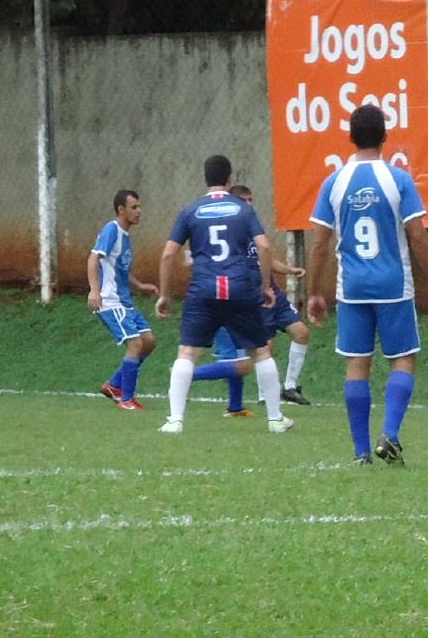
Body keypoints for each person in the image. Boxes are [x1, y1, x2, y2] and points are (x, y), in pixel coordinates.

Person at [304, 103, 428, 465]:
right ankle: (391, 435)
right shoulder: (398, 179)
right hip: (392, 285)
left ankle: (360, 453)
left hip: (352, 287)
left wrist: (314, 292)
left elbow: (319, 244)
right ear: (385, 135)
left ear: (351, 137)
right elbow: (417, 235)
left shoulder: (334, 182)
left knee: (357, 364)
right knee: (403, 359)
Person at [154, 156, 294, 436]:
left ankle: (175, 420)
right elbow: (264, 247)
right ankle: (276, 419)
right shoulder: (243, 210)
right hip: (240, 288)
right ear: (230, 179)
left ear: (205, 179)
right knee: (260, 351)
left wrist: (165, 295)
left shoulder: (190, 210)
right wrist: (265, 286)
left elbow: (169, 254)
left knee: (188, 352)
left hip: (202, 290)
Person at [192, 186, 313, 416]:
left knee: (301, 332)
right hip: (253, 295)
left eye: (251, 199)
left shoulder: (253, 226)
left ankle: (289, 387)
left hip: (273, 292)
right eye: (244, 200)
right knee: (264, 348)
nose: (249, 204)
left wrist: (289, 270)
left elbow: (266, 256)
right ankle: (263, 395)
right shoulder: (232, 231)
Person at [88, 188, 159, 411]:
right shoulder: (112, 230)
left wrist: (140, 286)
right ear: (121, 209)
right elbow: (93, 259)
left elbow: (121, 269)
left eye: (139, 207)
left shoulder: (125, 236)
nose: (139, 211)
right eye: (134, 207)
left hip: (125, 301)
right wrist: (94, 291)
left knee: (148, 341)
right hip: (110, 300)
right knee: (135, 344)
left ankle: (115, 385)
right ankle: (127, 400)